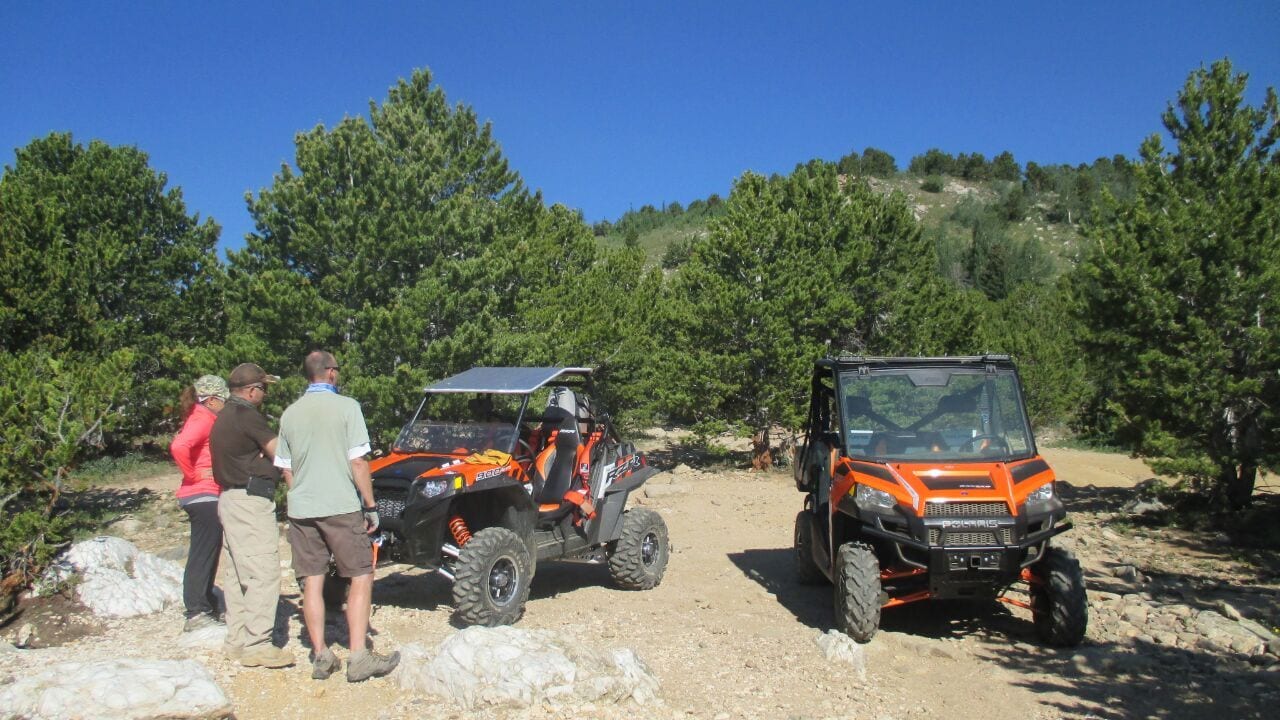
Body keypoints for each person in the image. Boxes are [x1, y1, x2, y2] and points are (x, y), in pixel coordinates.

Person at [274, 351, 399, 682]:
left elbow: (285, 467)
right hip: (340, 506)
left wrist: (301, 491)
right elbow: (358, 461)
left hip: (302, 508)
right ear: (330, 373)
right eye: (337, 369)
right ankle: (358, 656)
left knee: (311, 581)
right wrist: (370, 506)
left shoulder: (290, 414)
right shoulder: (348, 408)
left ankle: (321, 655)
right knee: (360, 574)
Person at [209, 362, 294, 669]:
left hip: (229, 499)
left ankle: (237, 640)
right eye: (264, 388)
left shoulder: (223, 417)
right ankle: (258, 644)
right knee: (262, 572)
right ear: (252, 390)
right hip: (250, 500)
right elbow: (280, 453)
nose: (266, 393)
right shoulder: (247, 417)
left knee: (236, 574)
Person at [169, 374, 229, 632]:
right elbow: (179, 446)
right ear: (213, 400)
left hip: (204, 493)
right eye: (223, 399)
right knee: (203, 552)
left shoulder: (202, 416)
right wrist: (193, 474)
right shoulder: (202, 418)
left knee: (208, 549)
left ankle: (204, 602)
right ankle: (196, 611)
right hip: (203, 494)